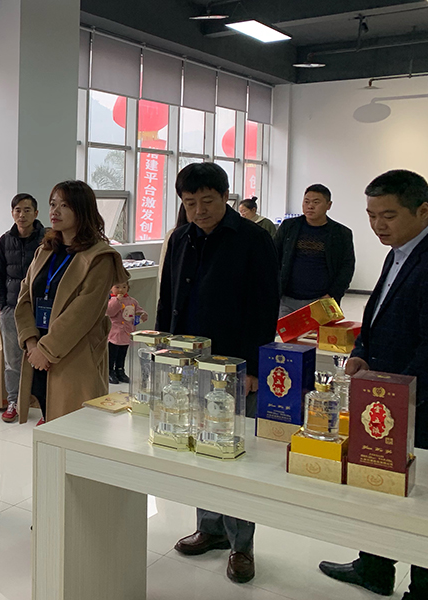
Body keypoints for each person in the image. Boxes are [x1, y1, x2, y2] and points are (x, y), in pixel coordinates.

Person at [318, 170, 428, 600]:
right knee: (378, 483)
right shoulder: (401, 251)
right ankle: (374, 567)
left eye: (388, 216)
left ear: (423, 210)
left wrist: (403, 397)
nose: (378, 225)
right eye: (372, 215)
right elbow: (378, 313)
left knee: (424, 502)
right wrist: (362, 351)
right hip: (387, 395)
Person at [157, 162, 279, 584]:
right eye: (190, 203)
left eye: (207, 201)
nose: (199, 211)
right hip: (188, 361)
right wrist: (163, 350)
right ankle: (209, 528)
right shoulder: (181, 238)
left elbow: (265, 306)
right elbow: (168, 296)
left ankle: (241, 544)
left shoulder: (253, 240)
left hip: (233, 365)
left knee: (233, 453)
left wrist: (253, 366)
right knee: (198, 445)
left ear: (225, 197)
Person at [14, 180, 129, 424]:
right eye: (52, 204)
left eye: (64, 205)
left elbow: (82, 313)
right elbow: (24, 297)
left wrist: (46, 350)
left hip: (73, 357)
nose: (54, 211)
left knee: (73, 426)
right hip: (37, 354)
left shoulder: (99, 257)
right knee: (48, 422)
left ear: (82, 210)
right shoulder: (45, 250)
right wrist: (32, 343)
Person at [0, 193, 45, 423]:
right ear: (12, 213)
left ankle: (45, 406)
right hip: (12, 309)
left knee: (44, 356)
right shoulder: (5, 241)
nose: (21, 215)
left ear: (36, 213)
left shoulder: (48, 240)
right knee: (12, 360)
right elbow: (0, 275)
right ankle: (13, 401)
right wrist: (4, 306)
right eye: (17, 210)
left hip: (41, 309)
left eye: (27, 210)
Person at [274, 184, 355, 317]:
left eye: (316, 202)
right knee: (283, 330)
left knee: (320, 332)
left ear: (329, 205)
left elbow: (347, 267)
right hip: (287, 299)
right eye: (306, 202)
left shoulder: (341, 233)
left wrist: (333, 294)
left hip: (322, 300)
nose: (310, 206)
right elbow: (274, 256)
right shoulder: (289, 226)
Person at [106, 281, 147, 384]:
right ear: (111, 288)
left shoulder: (132, 301)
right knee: (112, 353)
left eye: (124, 287)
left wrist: (142, 314)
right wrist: (117, 301)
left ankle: (120, 370)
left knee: (122, 353)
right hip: (115, 333)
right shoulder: (111, 301)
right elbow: (110, 312)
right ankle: (109, 371)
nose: (121, 290)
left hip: (127, 333)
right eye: (117, 287)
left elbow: (138, 310)